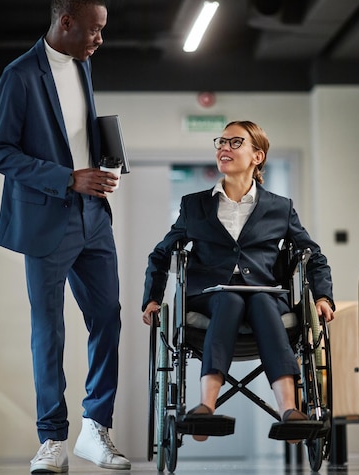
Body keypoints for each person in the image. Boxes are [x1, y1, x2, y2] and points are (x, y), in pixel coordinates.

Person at [0, 0, 130, 473]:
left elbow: (73, 134)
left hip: (94, 218)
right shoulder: (19, 76)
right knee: (49, 330)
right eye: (94, 29)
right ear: (65, 23)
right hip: (47, 217)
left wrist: (103, 156)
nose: (99, 40)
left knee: (107, 318)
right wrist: (67, 178)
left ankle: (96, 429)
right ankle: (51, 439)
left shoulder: (84, 66)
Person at [142, 120, 335, 441]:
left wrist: (322, 297)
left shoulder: (279, 207)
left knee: (260, 300)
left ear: (257, 156)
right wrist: (152, 297)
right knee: (229, 298)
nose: (223, 148)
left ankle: (291, 410)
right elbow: (161, 254)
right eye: (221, 142)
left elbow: (312, 255)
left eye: (235, 143)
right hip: (210, 295)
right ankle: (206, 407)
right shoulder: (195, 205)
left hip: (265, 294)